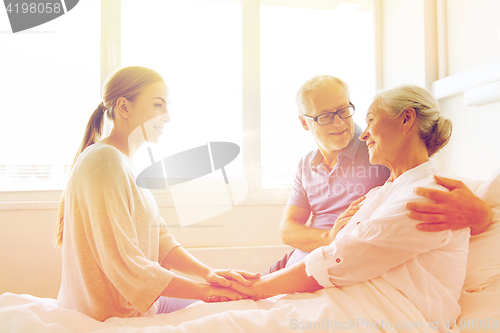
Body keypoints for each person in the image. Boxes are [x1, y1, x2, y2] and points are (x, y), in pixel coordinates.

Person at [230, 85, 473, 332]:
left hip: (377, 309)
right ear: (306, 123)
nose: (363, 134)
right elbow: (295, 231)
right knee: (226, 305)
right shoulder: (381, 191)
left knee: (228, 320)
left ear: (407, 118)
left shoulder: (430, 195)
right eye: (325, 115)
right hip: (330, 282)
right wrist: (258, 285)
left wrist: (258, 288)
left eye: (369, 119)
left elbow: (345, 258)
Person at [55, 66, 258, 321]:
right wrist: (204, 292)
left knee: (237, 300)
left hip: (134, 303)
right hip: (111, 314)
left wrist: (209, 274)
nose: (167, 117)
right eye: (158, 105)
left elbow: (159, 238)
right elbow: (125, 263)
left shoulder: (122, 161)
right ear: (124, 107)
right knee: (231, 310)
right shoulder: (104, 162)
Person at [267, 75, 492, 274]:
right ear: (304, 122)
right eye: (326, 116)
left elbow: (424, 177)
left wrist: (481, 215)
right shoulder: (306, 164)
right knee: (235, 287)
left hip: (329, 263)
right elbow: (287, 229)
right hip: (298, 257)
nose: (340, 122)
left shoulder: (379, 147)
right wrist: (327, 237)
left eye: (344, 110)